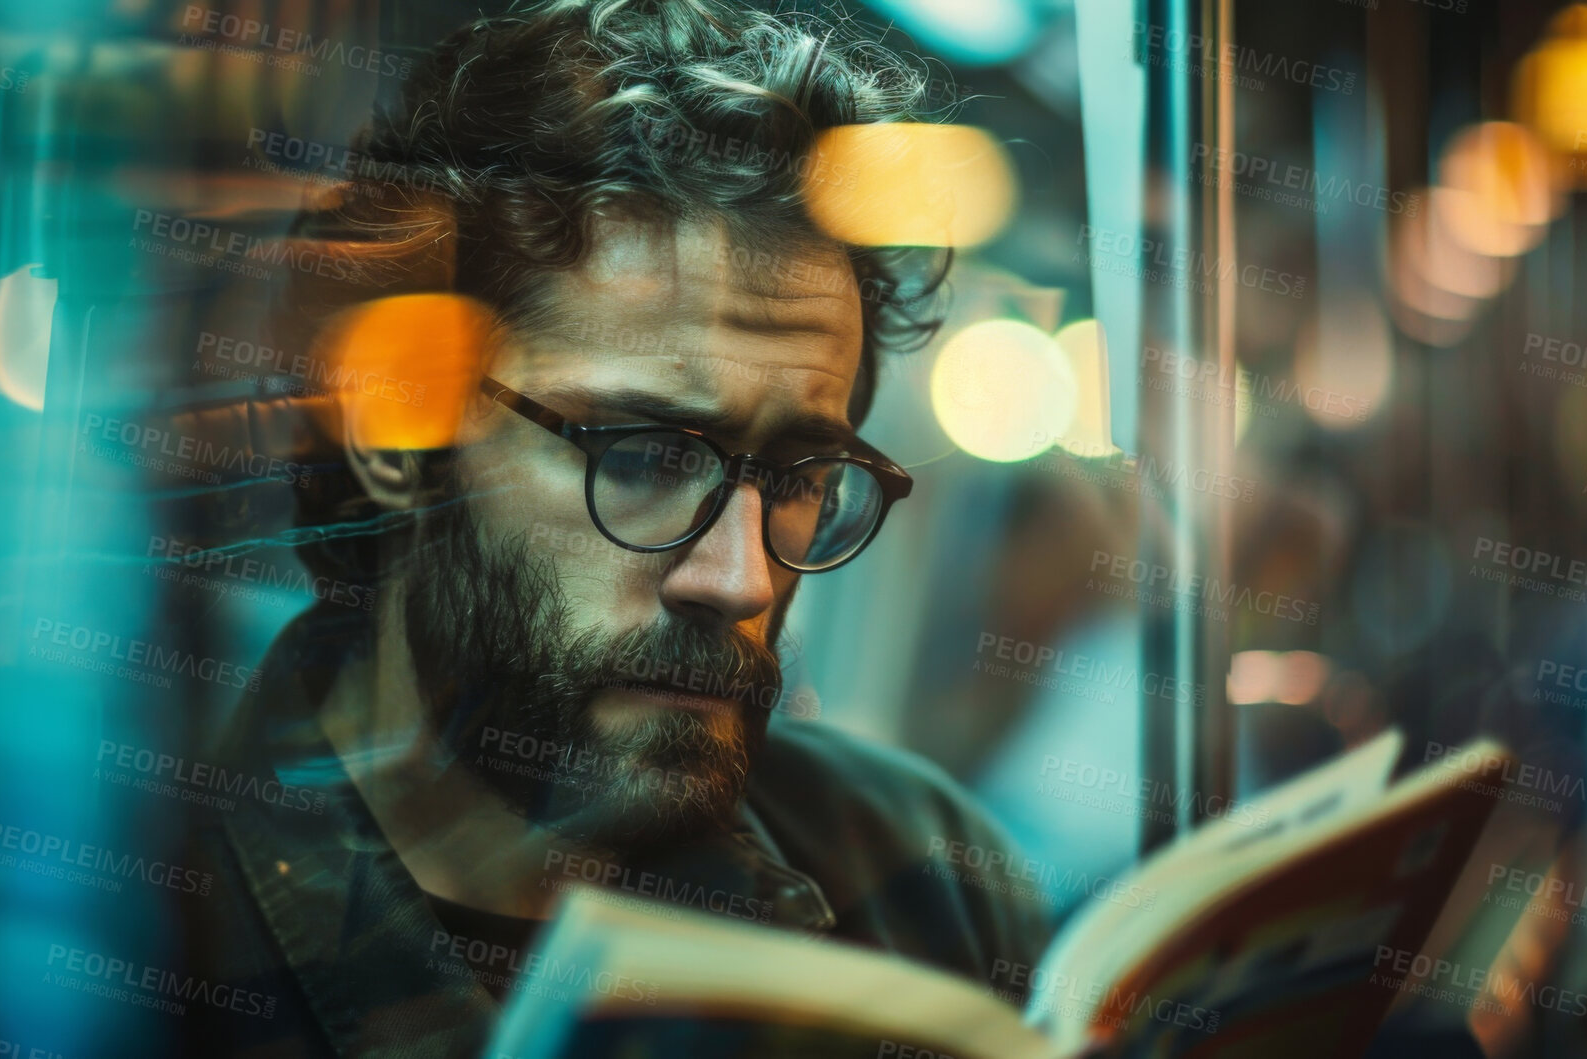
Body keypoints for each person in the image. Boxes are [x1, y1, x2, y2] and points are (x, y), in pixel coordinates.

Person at [176, 1, 1050, 1054]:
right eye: (642, 457)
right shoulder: (139, 910)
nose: (739, 582)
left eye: (797, 475)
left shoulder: (925, 877)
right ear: (395, 436)